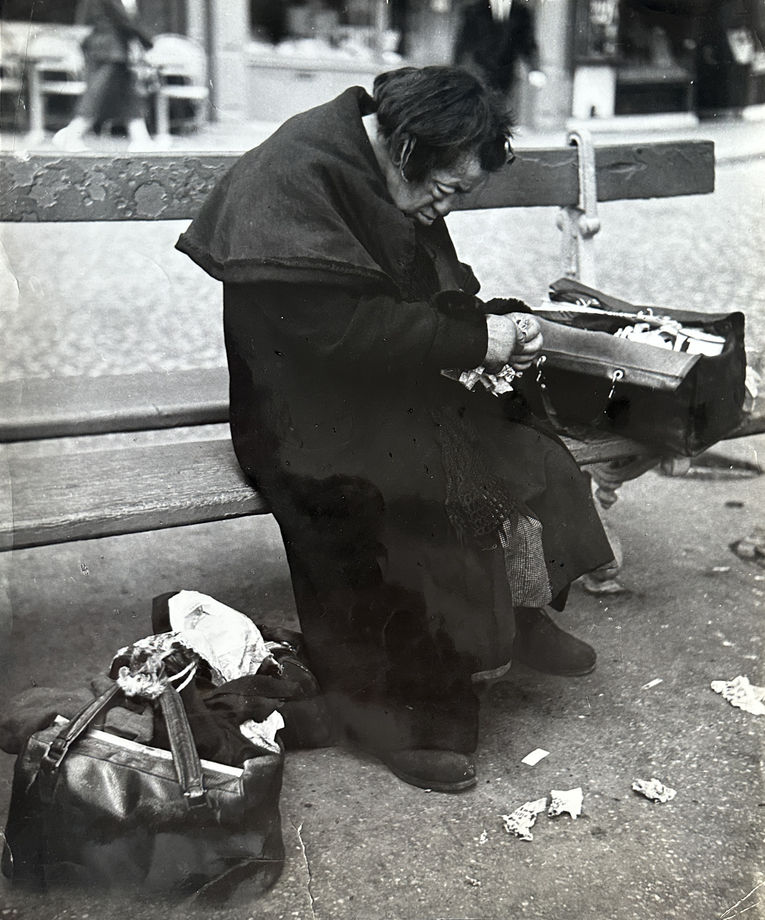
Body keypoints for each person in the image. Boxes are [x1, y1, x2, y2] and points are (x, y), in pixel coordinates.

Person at [176, 66, 614, 793]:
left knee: (514, 430)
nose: (440, 207)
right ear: (406, 148)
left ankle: (518, 613)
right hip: (302, 412)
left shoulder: (389, 159)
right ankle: (399, 716)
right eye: (443, 190)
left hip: (374, 382)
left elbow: (420, 279)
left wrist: (485, 325)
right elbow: (335, 332)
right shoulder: (293, 176)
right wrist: (472, 342)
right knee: (396, 493)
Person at [52, 0, 155, 152]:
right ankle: (71, 136)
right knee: (97, 94)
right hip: (109, 50)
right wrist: (149, 43)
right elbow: (123, 20)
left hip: (111, 49)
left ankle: (141, 139)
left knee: (128, 96)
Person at [454, 0, 546, 98]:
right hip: (478, 73)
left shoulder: (521, 11)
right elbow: (463, 44)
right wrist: (457, 72)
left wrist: (534, 69)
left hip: (506, 77)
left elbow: (527, 44)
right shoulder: (473, 9)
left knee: (501, 109)